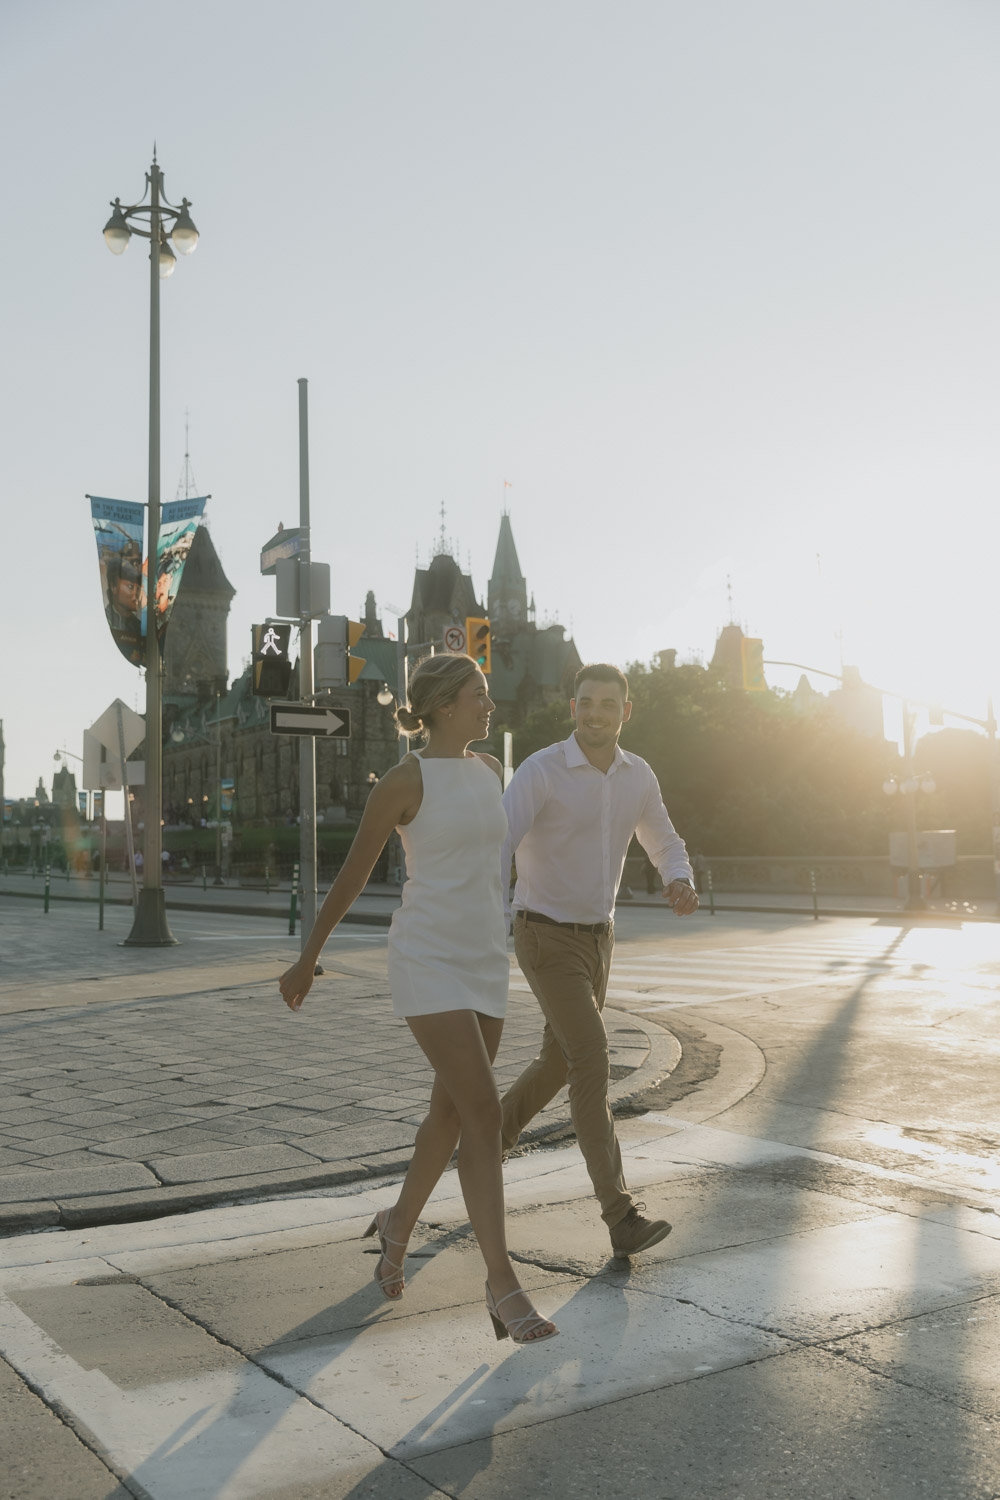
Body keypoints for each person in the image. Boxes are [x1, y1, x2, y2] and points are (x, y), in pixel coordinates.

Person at [279, 653, 557, 1346]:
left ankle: (398, 1223)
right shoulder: (402, 782)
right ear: (439, 705)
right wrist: (309, 958)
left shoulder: (489, 772)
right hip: (426, 958)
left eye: (488, 694)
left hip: (483, 958)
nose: (488, 706)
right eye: (477, 695)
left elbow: (495, 869)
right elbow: (352, 875)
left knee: (450, 1115)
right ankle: (502, 1283)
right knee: (485, 1113)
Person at [500, 662, 699, 1258]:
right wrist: (482, 920)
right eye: (586, 702)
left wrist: (680, 877)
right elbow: (498, 841)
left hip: (598, 941)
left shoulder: (637, 776)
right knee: (591, 1060)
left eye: (608, 705)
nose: (595, 714)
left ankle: (483, 1147)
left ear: (625, 712)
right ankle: (620, 1216)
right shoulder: (542, 770)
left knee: (558, 1062)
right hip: (543, 935)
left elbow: (662, 838)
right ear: (573, 708)